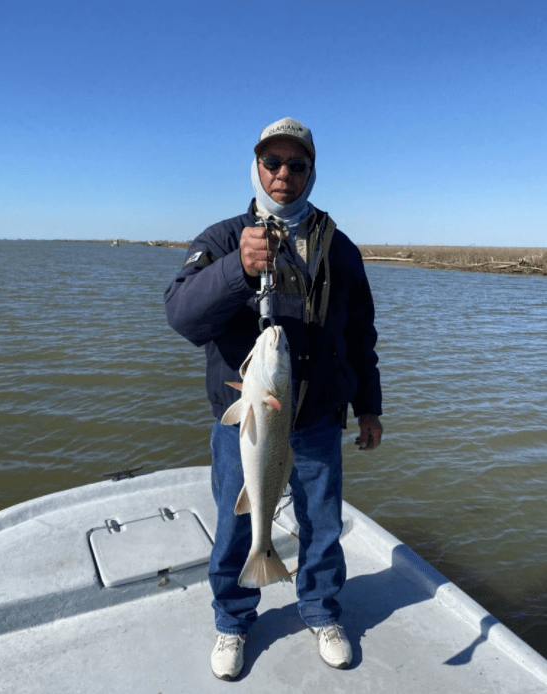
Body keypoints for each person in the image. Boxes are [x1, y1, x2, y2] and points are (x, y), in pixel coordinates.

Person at [164, 117, 383, 680]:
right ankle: (233, 620)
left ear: (312, 171)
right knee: (237, 523)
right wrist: (238, 268)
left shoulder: (342, 249)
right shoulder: (220, 238)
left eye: (297, 164)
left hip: (316, 422)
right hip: (246, 423)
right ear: (256, 167)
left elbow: (361, 335)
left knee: (322, 524)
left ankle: (321, 610)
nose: (284, 174)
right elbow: (182, 316)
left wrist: (370, 408)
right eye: (272, 163)